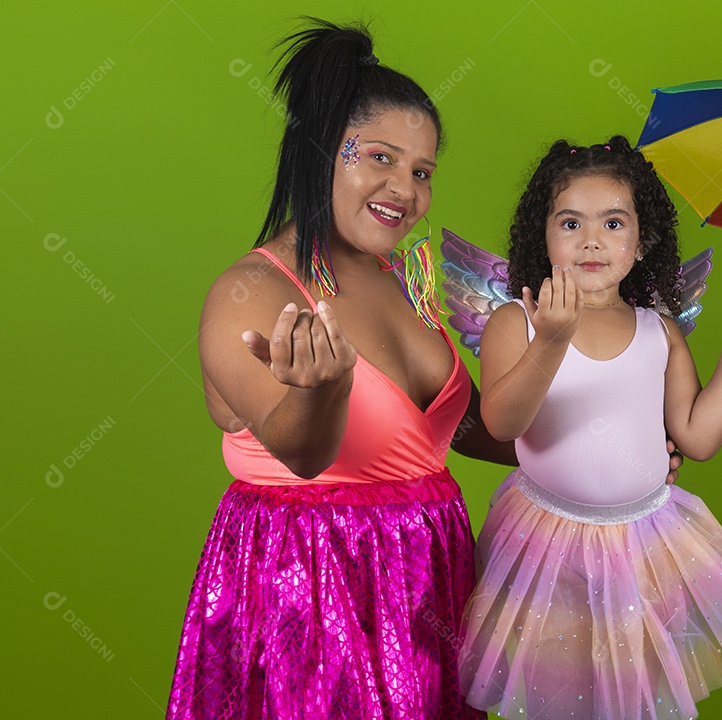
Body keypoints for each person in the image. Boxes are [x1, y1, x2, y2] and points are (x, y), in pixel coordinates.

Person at [165, 20, 511, 719]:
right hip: (313, 586)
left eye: (422, 172)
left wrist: (611, 443)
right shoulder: (250, 294)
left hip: (432, 582)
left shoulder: (404, 281)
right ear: (323, 148)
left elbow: (471, 428)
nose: (404, 190)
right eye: (380, 158)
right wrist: (320, 391)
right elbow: (300, 452)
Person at [457, 137, 722, 720]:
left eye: (614, 222)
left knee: (629, 695)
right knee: (555, 693)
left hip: (642, 544)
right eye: (571, 222)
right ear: (544, 236)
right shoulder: (518, 321)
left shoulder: (659, 331)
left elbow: (697, 438)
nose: (592, 240)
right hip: (547, 542)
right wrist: (554, 339)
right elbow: (503, 421)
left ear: (642, 242)